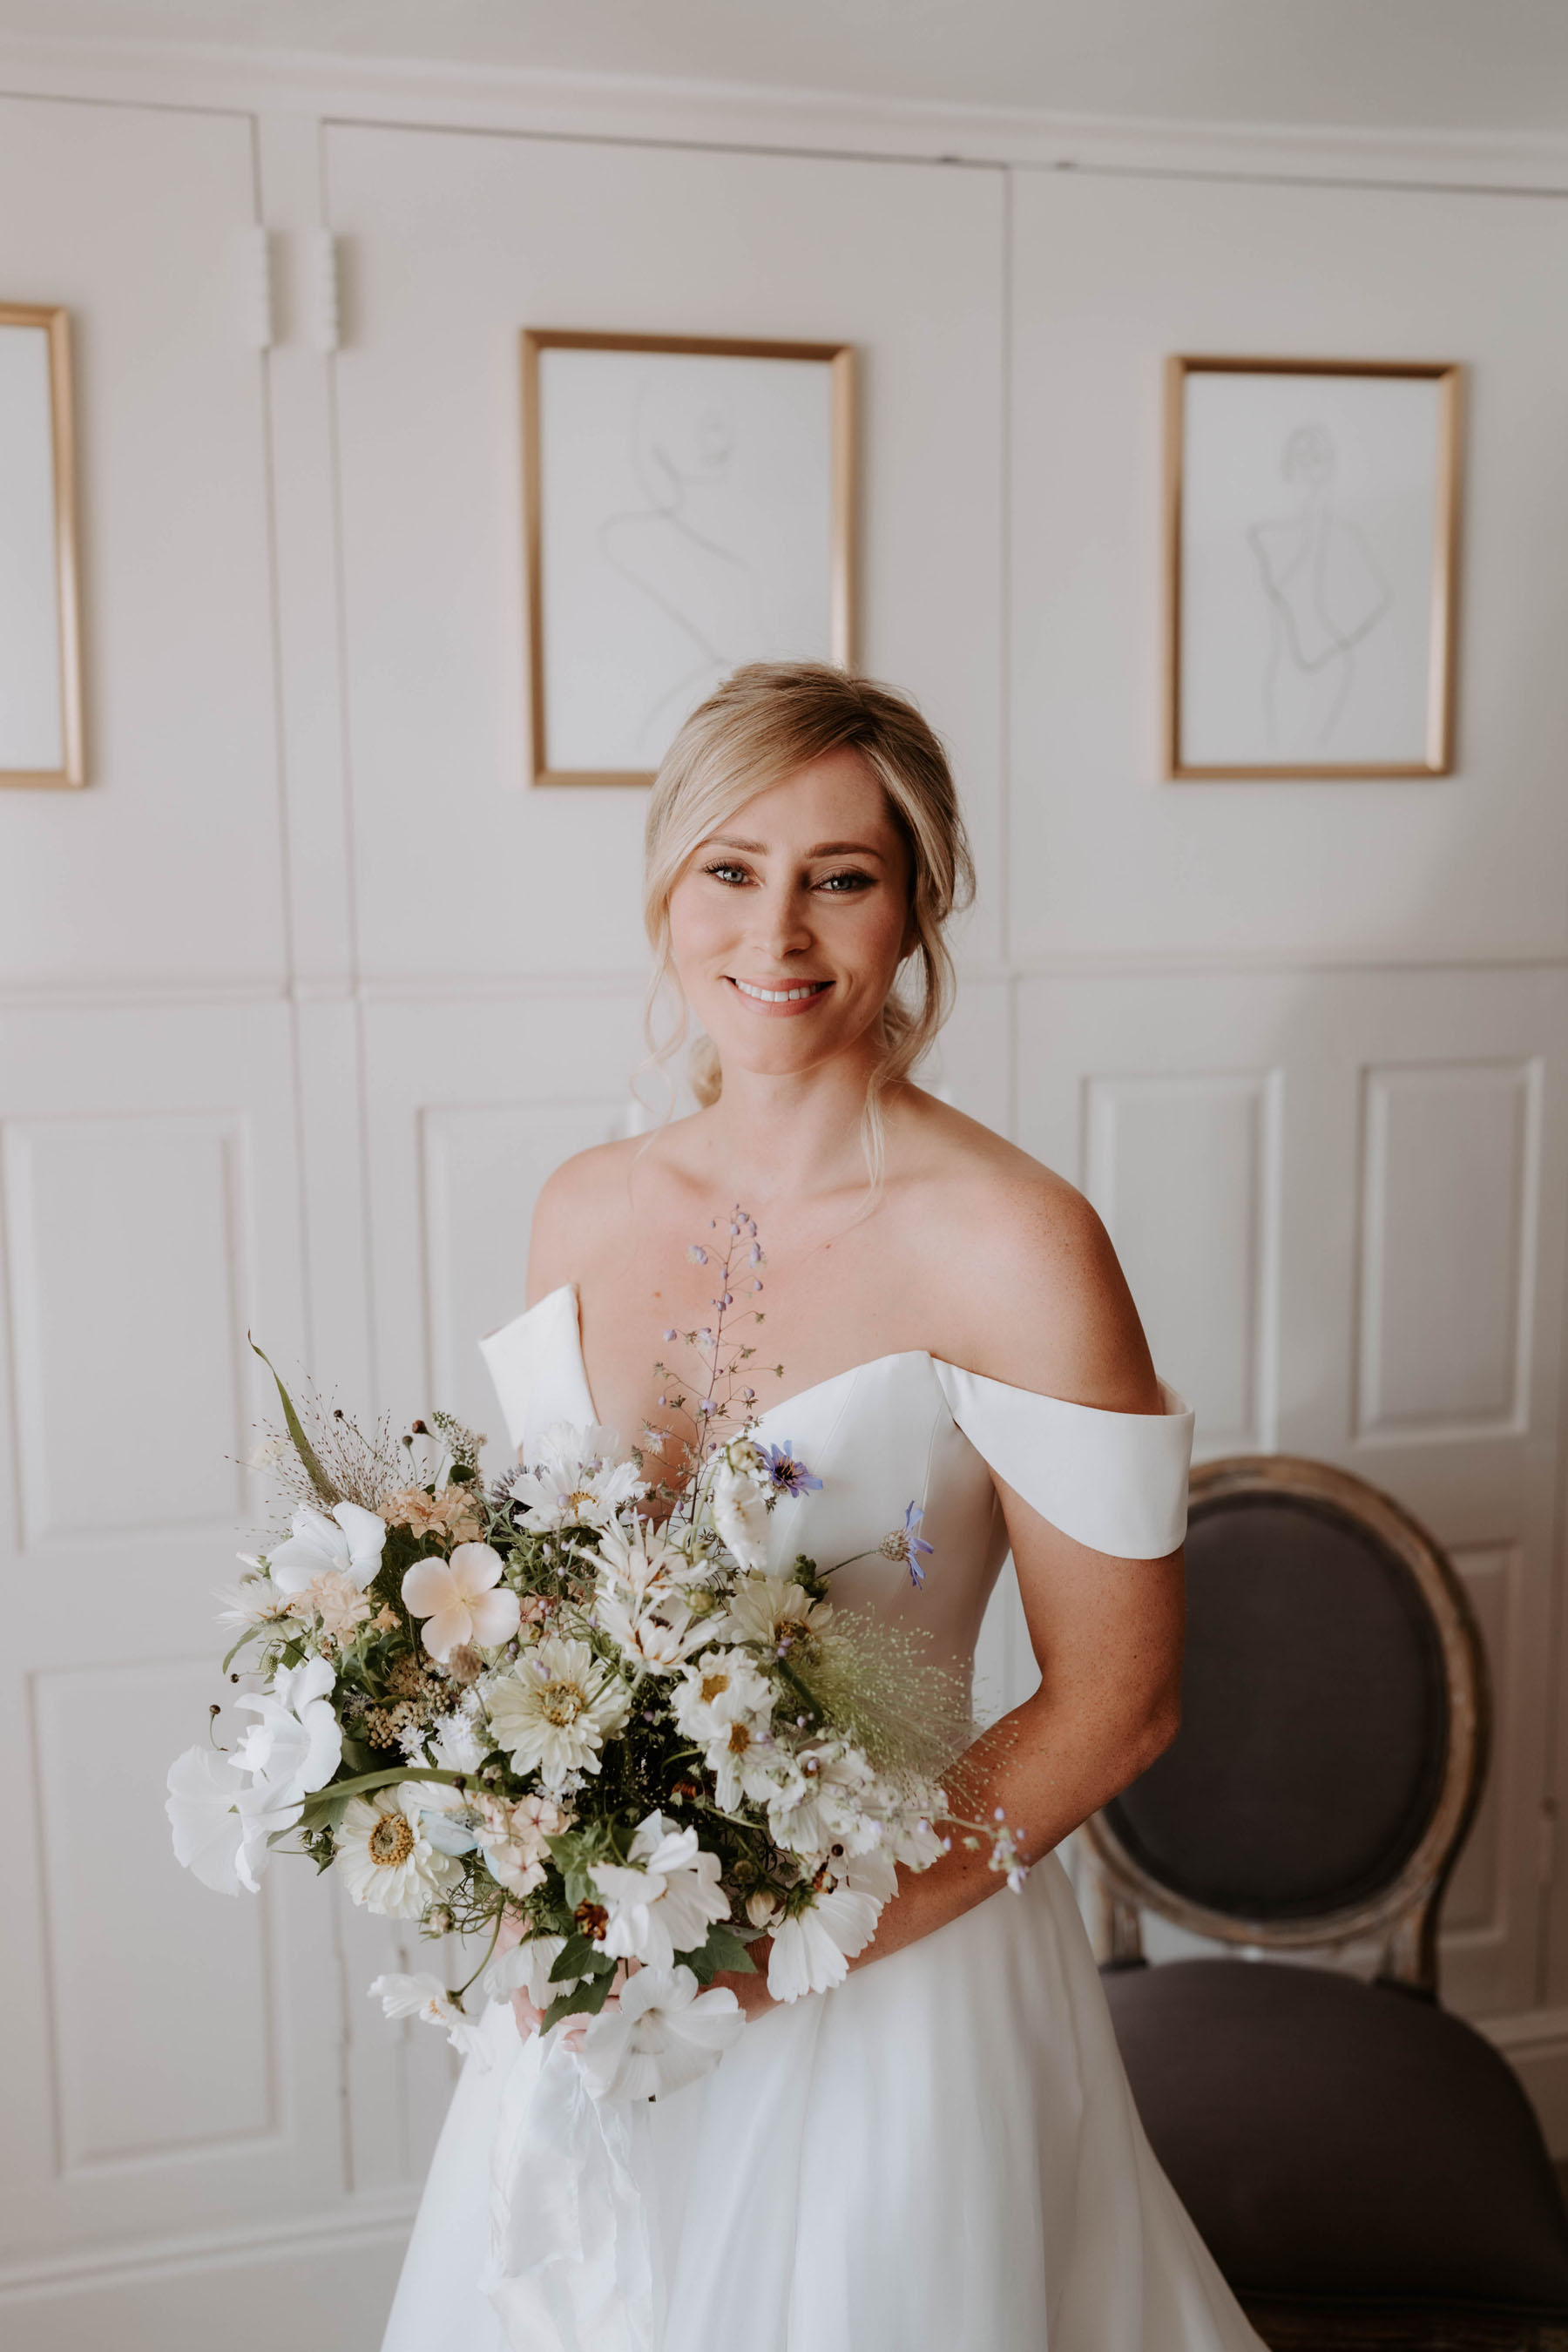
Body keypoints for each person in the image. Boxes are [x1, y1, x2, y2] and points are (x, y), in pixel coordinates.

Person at [382, 661, 1262, 2351]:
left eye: (840, 878)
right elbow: (545, 1617)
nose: (776, 932)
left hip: (893, 1997)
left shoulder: (1019, 1241)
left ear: (916, 906)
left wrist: (779, 1946)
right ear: (665, 891)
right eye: (732, 868)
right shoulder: (579, 1210)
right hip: (596, 1981)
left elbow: (1120, 1703)